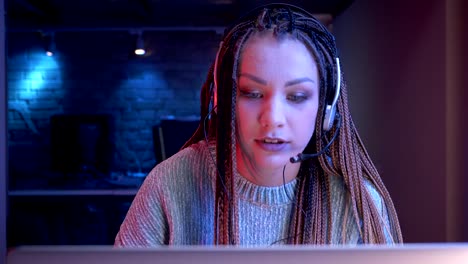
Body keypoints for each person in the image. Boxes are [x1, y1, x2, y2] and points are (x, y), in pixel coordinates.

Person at [114, 3, 403, 246]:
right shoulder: (170, 183)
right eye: (252, 93)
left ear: (326, 109)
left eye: (297, 96)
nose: (273, 118)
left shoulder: (358, 203)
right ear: (222, 101)